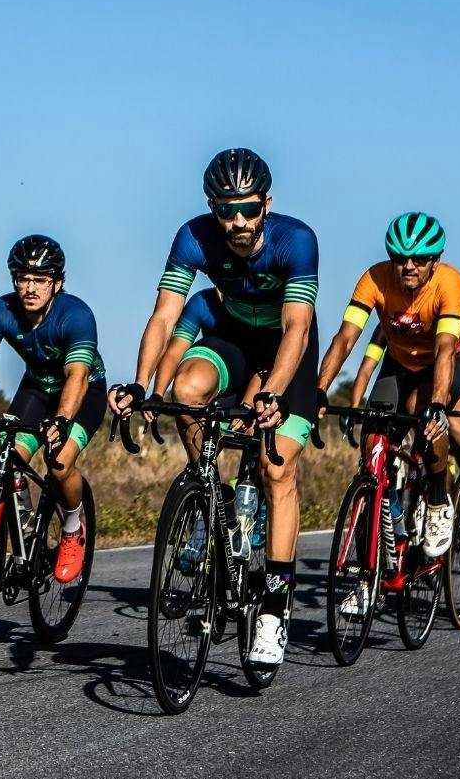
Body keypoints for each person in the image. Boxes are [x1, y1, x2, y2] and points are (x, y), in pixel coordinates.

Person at [110, 147, 320, 667]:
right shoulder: (193, 236)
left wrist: (273, 391)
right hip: (233, 337)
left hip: (286, 349)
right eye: (226, 210)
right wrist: (140, 385)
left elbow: (297, 327)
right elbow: (164, 318)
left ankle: (273, 608)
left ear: (266, 203)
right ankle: (211, 495)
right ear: (211, 206)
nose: (238, 221)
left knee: (276, 468)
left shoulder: (297, 240)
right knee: (185, 392)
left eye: (248, 208)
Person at [0, 235, 107, 583]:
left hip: (83, 392)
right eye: (23, 278)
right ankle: (13, 542)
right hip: (36, 389)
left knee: (58, 464)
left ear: (56, 282)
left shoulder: (76, 315)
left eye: (40, 280)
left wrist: (62, 419)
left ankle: (73, 527)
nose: (30, 288)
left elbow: (77, 374)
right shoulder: (1, 310)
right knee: (5, 454)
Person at [317, 212, 460, 559]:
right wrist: (320, 388)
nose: (409, 266)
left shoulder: (450, 283)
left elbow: (445, 349)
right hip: (399, 363)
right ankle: (383, 526)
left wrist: (439, 405)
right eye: (400, 258)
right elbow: (345, 339)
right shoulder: (375, 278)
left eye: (420, 259)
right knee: (373, 441)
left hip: (445, 363)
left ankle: (436, 499)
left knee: (422, 410)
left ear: (436, 260)